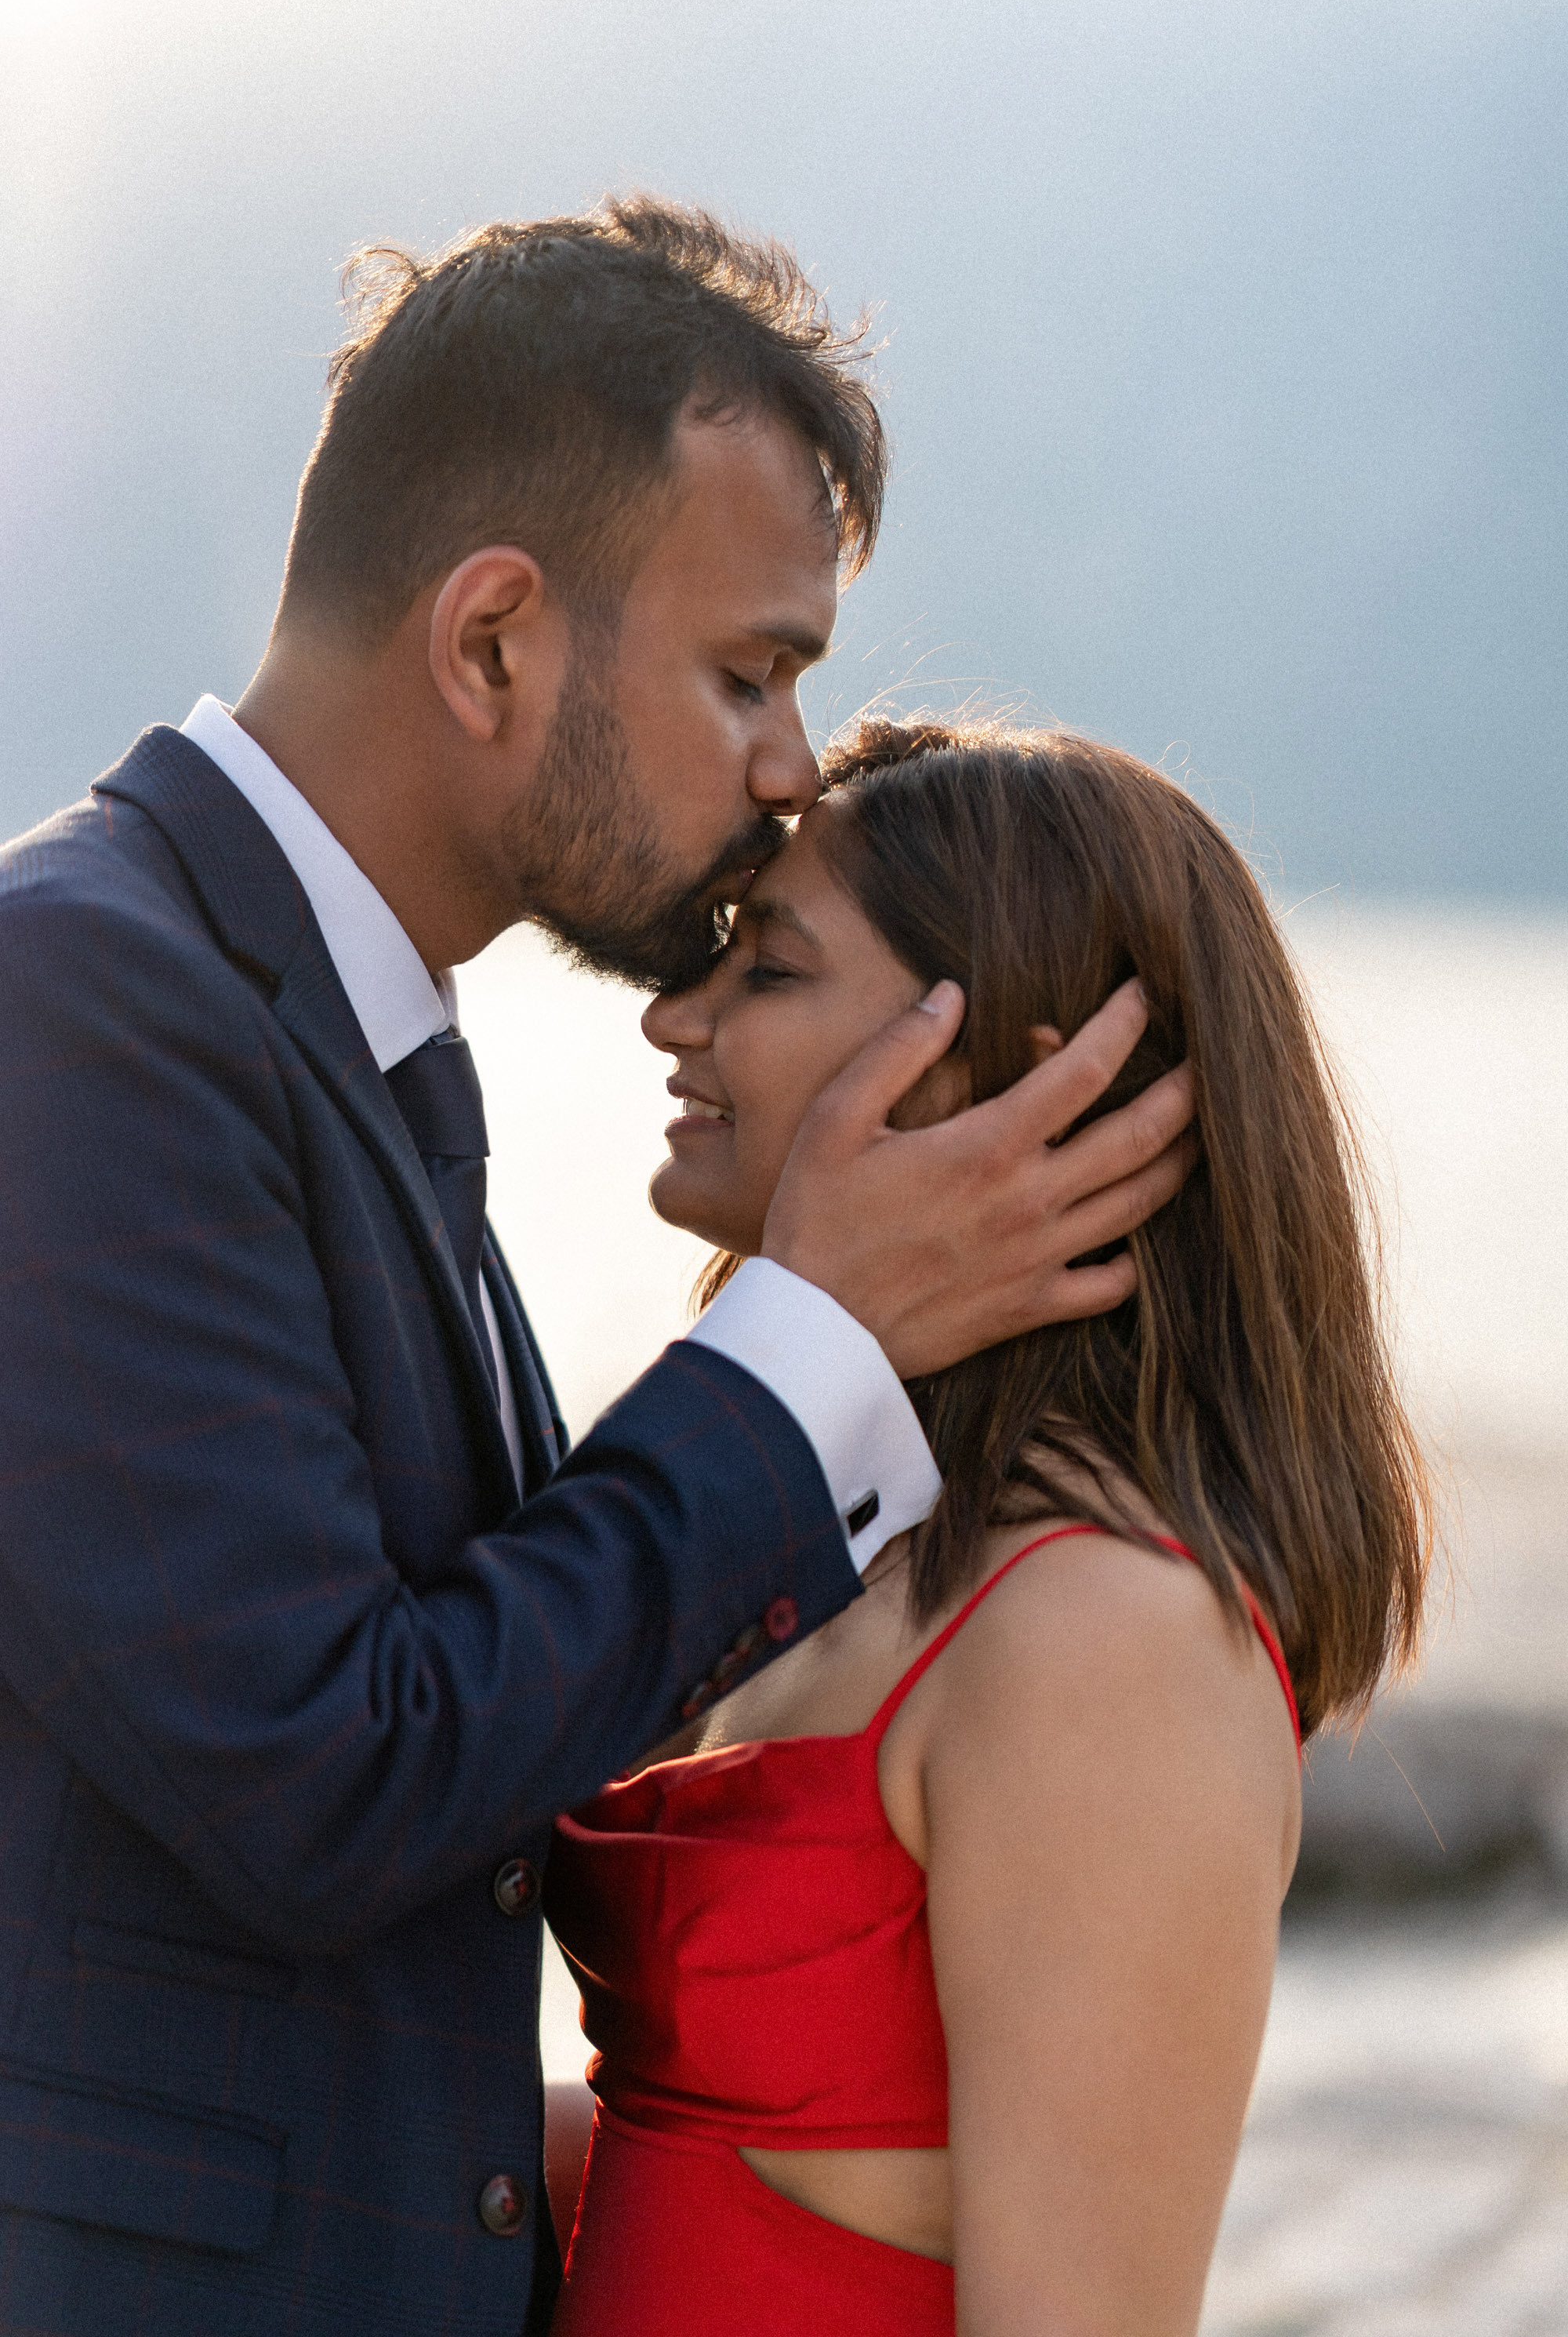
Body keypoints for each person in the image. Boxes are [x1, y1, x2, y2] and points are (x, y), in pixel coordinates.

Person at [0, 209, 1195, 2337]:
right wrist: (816, 1337)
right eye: (751, 670)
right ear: (492, 646)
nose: (790, 768)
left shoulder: (344, 1037)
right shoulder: (77, 998)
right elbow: (333, 1778)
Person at [543, 718, 1432, 2337]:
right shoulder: (844, 1546)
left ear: (1003, 1078)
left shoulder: (1106, 1635)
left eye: (769, 970)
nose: (677, 1017)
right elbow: (721, 2166)